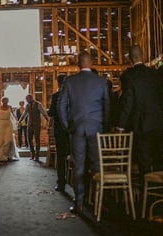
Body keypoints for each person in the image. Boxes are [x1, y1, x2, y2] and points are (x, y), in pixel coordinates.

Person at [57, 52, 110, 213]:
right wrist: (105, 127)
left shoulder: (70, 81)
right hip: (97, 129)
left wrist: (68, 126)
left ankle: (79, 202)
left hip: (77, 128)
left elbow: (61, 106)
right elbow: (107, 107)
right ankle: (99, 201)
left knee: (78, 166)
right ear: (92, 63)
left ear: (78, 64)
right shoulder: (101, 82)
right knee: (97, 165)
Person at [119, 45, 163, 177]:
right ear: (142, 56)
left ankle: (146, 194)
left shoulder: (128, 76)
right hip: (158, 123)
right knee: (159, 161)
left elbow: (128, 102)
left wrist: (121, 126)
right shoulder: (155, 74)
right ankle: (161, 194)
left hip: (141, 125)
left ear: (130, 59)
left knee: (144, 163)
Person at [48, 77, 70, 192]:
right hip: (72, 131)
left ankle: (61, 183)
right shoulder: (74, 95)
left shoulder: (56, 96)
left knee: (61, 158)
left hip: (60, 131)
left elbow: (51, 112)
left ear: (58, 83)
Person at [0, 97, 20, 163]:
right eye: (4, 100)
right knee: (1, 140)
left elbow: (13, 115)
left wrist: (17, 120)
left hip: (8, 124)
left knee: (8, 140)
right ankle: (2, 156)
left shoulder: (10, 107)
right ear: (2, 101)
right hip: (1, 124)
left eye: (6, 100)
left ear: (8, 101)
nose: (5, 102)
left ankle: (8, 155)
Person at [25, 94, 49, 162]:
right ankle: (32, 154)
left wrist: (48, 120)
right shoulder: (27, 105)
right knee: (29, 139)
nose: (26, 101)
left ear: (31, 98)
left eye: (27, 99)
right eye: (26, 99)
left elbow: (44, 113)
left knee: (37, 140)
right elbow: (24, 114)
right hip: (29, 125)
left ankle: (37, 156)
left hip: (37, 125)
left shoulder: (38, 104)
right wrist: (19, 121)